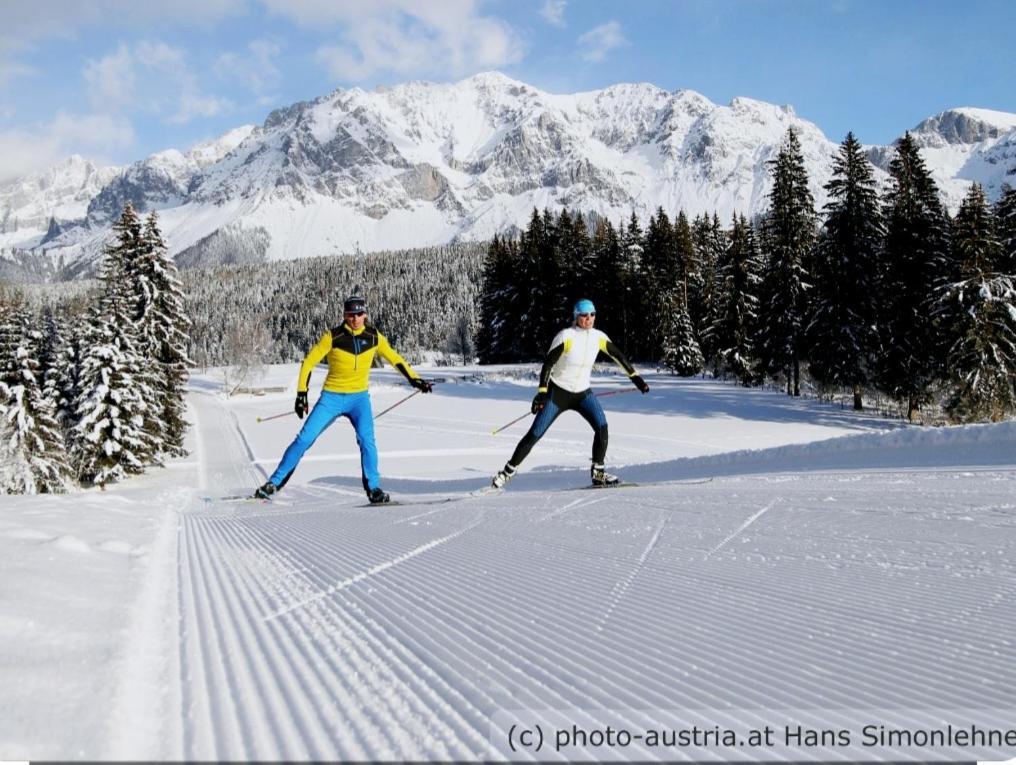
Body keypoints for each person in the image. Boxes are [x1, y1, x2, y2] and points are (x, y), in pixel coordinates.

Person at [253, 295, 433, 504]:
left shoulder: (374, 337)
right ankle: (273, 483)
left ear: (365, 314)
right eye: (350, 314)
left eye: (359, 314)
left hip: (359, 400)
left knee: (368, 442)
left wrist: (415, 380)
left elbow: (395, 359)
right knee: (304, 439)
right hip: (331, 397)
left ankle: (374, 489)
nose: (355, 319)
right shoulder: (333, 337)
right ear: (344, 315)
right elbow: (309, 362)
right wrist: (301, 393)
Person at [491, 298, 649, 489]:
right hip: (558, 394)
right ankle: (506, 473)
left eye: (592, 315)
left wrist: (637, 379)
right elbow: (548, 364)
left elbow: (619, 357)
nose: (589, 319)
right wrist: (542, 393)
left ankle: (598, 473)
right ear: (576, 317)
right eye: (584, 315)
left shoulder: (598, 337)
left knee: (602, 428)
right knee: (535, 433)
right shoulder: (566, 336)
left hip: (583, 394)